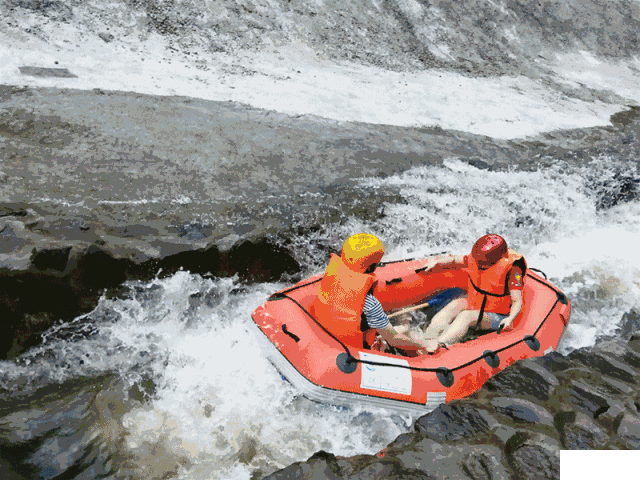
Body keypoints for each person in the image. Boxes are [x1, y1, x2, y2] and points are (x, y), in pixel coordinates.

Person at [309, 233, 431, 355]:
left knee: (395, 329)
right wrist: (424, 345)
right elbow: (394, 340)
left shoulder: (330, 277)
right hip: (353, 352)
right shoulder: (371, 304)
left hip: (328, 337)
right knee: (405, 330)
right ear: (371, 266)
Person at [418, 234, 527, 354]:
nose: (479, 265)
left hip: (500, 314)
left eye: (483, 263)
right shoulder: (477, 257)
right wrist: (438, 263)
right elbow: (455, 260)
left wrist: (510, 319)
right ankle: (428, 338)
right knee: (454, 305)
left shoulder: (513, 270)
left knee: (466, 316)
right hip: (477, 303)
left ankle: (439, 345)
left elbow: (517, 301)